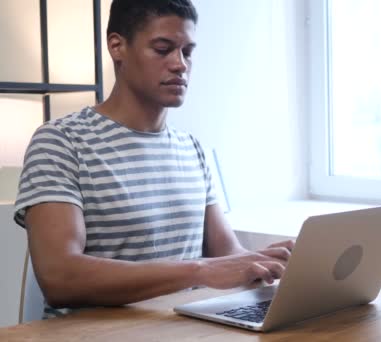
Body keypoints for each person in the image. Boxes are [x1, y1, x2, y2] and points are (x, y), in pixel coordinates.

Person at [14, 0, 293, 319]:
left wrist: (267, 264)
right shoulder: (61, 142)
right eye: (163, 49)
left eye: (187, 52)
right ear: (117, 47)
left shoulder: (192, 148)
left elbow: (226, 252)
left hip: (180, 331)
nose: (180, 65)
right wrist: (198, 271)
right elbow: (60, 278)